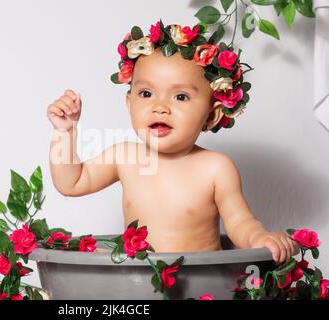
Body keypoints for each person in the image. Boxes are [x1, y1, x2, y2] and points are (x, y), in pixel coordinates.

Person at [47, 21, 295, 264]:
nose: (160, 107)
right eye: (146, 94)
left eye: (180, 96)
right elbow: (72, 182)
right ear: (129, 103)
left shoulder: (215, 168)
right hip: (137, 286)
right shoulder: (125, 157)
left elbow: (240, 222)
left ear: (211, 115)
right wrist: (65, 132)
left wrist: (259, 237)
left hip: (200, 284)